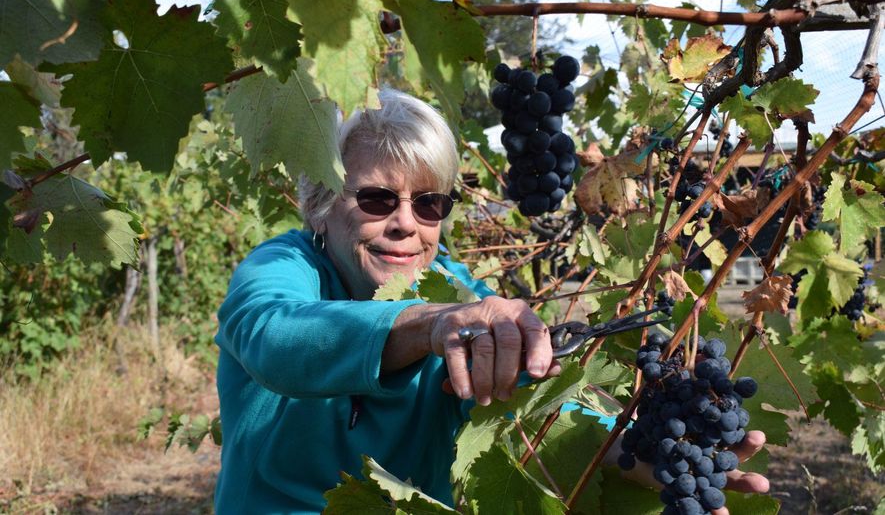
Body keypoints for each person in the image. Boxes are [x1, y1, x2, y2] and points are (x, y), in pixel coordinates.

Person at [213, 89, 768, 514]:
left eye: (428, 204)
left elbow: (533, 398)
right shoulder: (282, 268)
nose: (406, 223)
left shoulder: (456, 292)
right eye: (377, 199)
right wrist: (428, 326)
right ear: (320, 205)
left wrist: (638, 451)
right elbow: (275, 337)